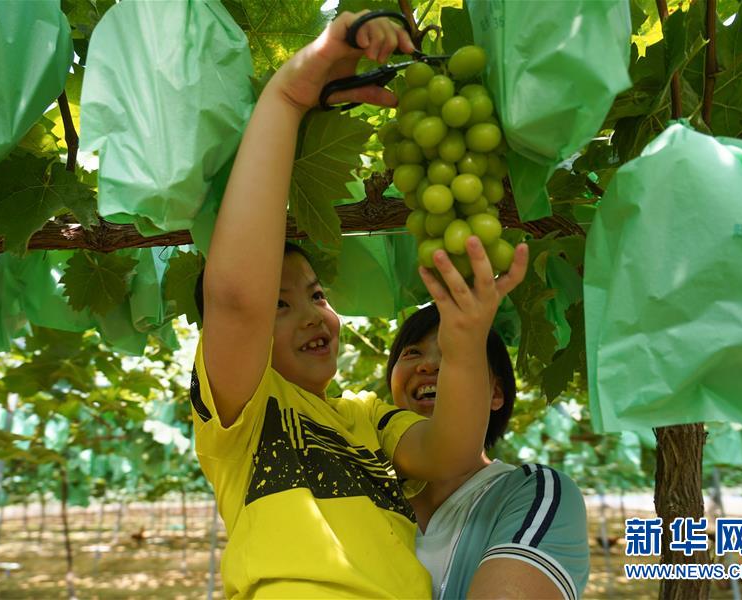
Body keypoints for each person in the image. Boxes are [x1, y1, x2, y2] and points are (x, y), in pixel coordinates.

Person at [190, 10, 529, 598]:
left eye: (317, 295)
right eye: (281, 304)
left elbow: (450, 451)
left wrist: (467, 340)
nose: (311, 313)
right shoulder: (243, 412)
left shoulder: (366, 419)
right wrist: (288, 100)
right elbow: (236, 299)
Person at [388, 303, 590, 600]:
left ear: (496, 393)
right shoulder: (359, 490)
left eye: (452, 353)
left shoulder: (535, 493)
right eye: (412, 353)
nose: (428, 365)